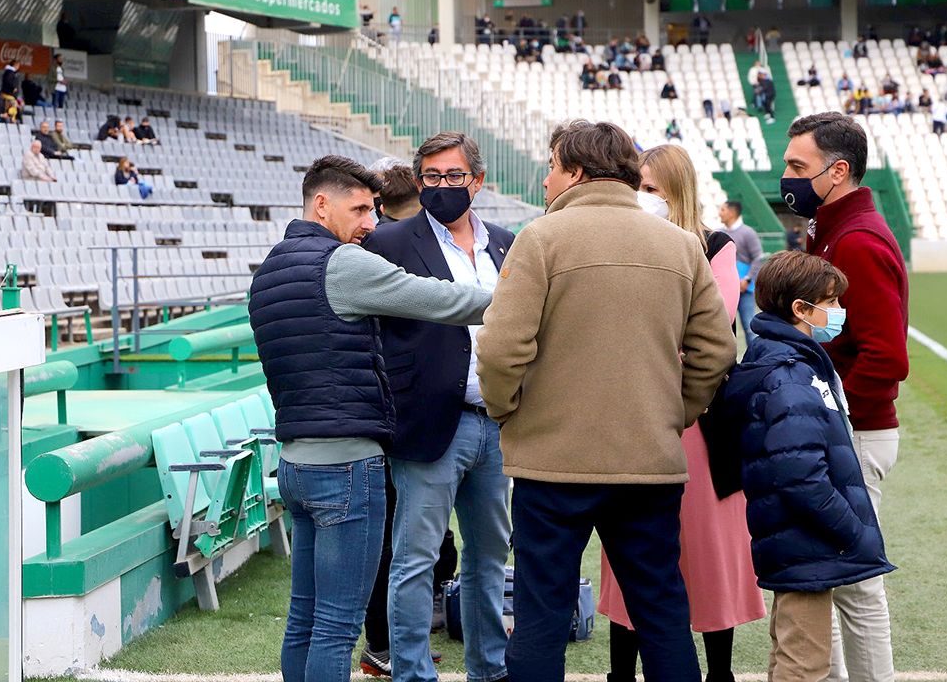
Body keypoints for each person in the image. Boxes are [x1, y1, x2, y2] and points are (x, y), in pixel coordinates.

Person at [476, 120, 737, 682]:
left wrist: (506, 410)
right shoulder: (681, 244)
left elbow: (500, 350)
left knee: (542, 613)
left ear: (575, 170)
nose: (545, 182)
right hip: (649, 460)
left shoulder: (541, 238)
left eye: (551, 167)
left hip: (552, 463)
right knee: (662, 611)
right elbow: (717, 351)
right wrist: (674, 414)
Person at [247, 156, 492, 682]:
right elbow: (438, 298)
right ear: (321, 204)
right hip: (347, 466)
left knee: (304, 618)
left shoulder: (269, 268)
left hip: (293, 463)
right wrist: (520, 299)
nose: (370, 223)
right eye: (358, 209)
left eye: (373, 209)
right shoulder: (343, 264)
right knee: (336, 626)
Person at [599, 144, 764, 682]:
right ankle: (622, 671)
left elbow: (708, 333)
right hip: (635, 415)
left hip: (702, 422)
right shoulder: (620, 242)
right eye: (636, 188)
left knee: (710, 549)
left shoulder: (714, 246)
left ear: (676, 191)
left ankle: (720, 672)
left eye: (651, 189)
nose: (642, 198)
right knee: (630, 545)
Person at [364, 133, 514, 682]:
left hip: (497, 424)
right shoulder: (391, 243)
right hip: (428, 426)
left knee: (488, 559)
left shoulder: (506, 243)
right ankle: (411, 673)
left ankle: (489, 671)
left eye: (453, 177)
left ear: (477, 180)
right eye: (431, 177)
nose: (442, 186)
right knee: (414, 560)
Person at [723, 251, 895, 682]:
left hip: (799, 544)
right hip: (807, 546)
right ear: (800, 309)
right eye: (832, 302)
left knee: (793, 654)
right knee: (805, 663)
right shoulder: (789, 374)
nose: (839, 312)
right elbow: (800, 475)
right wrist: (853, 531)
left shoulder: (793, 362)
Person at [780, 112, 908, 682]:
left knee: (856, 587)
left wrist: (827, 414)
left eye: (797, 166)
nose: (787, 176)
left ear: (837, 171)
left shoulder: (856, 241)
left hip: (852, 432)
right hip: (839, 428)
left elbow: (887, 356)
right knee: (821, 580)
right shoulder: (830, 228)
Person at [718, 200, 764, 346]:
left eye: (723, 210)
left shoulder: (748, 233)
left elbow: (758, 257)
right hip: (725, 290)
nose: (720, 213)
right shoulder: (719, 233)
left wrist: (747, 279)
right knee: (723, 328)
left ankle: (754, 360)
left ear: (732, 213)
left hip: (745, 289)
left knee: (749, 327)